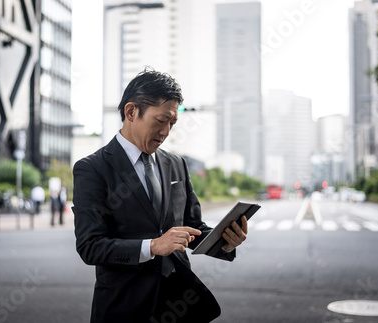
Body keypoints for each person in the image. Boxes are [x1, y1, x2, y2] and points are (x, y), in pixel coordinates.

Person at [72, 68, 248, 323]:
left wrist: (226, 241)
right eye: (160, 120)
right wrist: (153, 246)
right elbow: (90, 246)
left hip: (180, 305)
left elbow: (193, 227)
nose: (166, 131)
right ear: (131, 112)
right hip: (124, 307)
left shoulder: (176, 164)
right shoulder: (92, 168)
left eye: (172, 123)